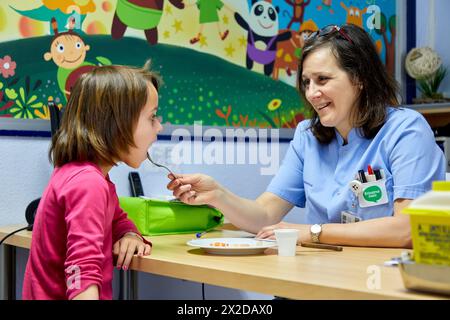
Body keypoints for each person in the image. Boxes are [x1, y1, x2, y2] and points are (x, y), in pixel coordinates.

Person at [167, 24, 446, 248]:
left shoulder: (406, 130)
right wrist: (217, 194)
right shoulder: (307, 136)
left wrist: (311, 232)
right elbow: (265, 214)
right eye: (306, 82)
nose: (312, 93)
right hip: (319, 275)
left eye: (323, 80)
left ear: (359, 78)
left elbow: (407, 229)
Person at [23, 63, 163, 300]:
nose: (159, 126)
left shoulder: (84, 175)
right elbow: (82, 273)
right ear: (116, 124)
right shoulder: (88, 184)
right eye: (151, 117)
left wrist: (130, 235)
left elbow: (117, 219)